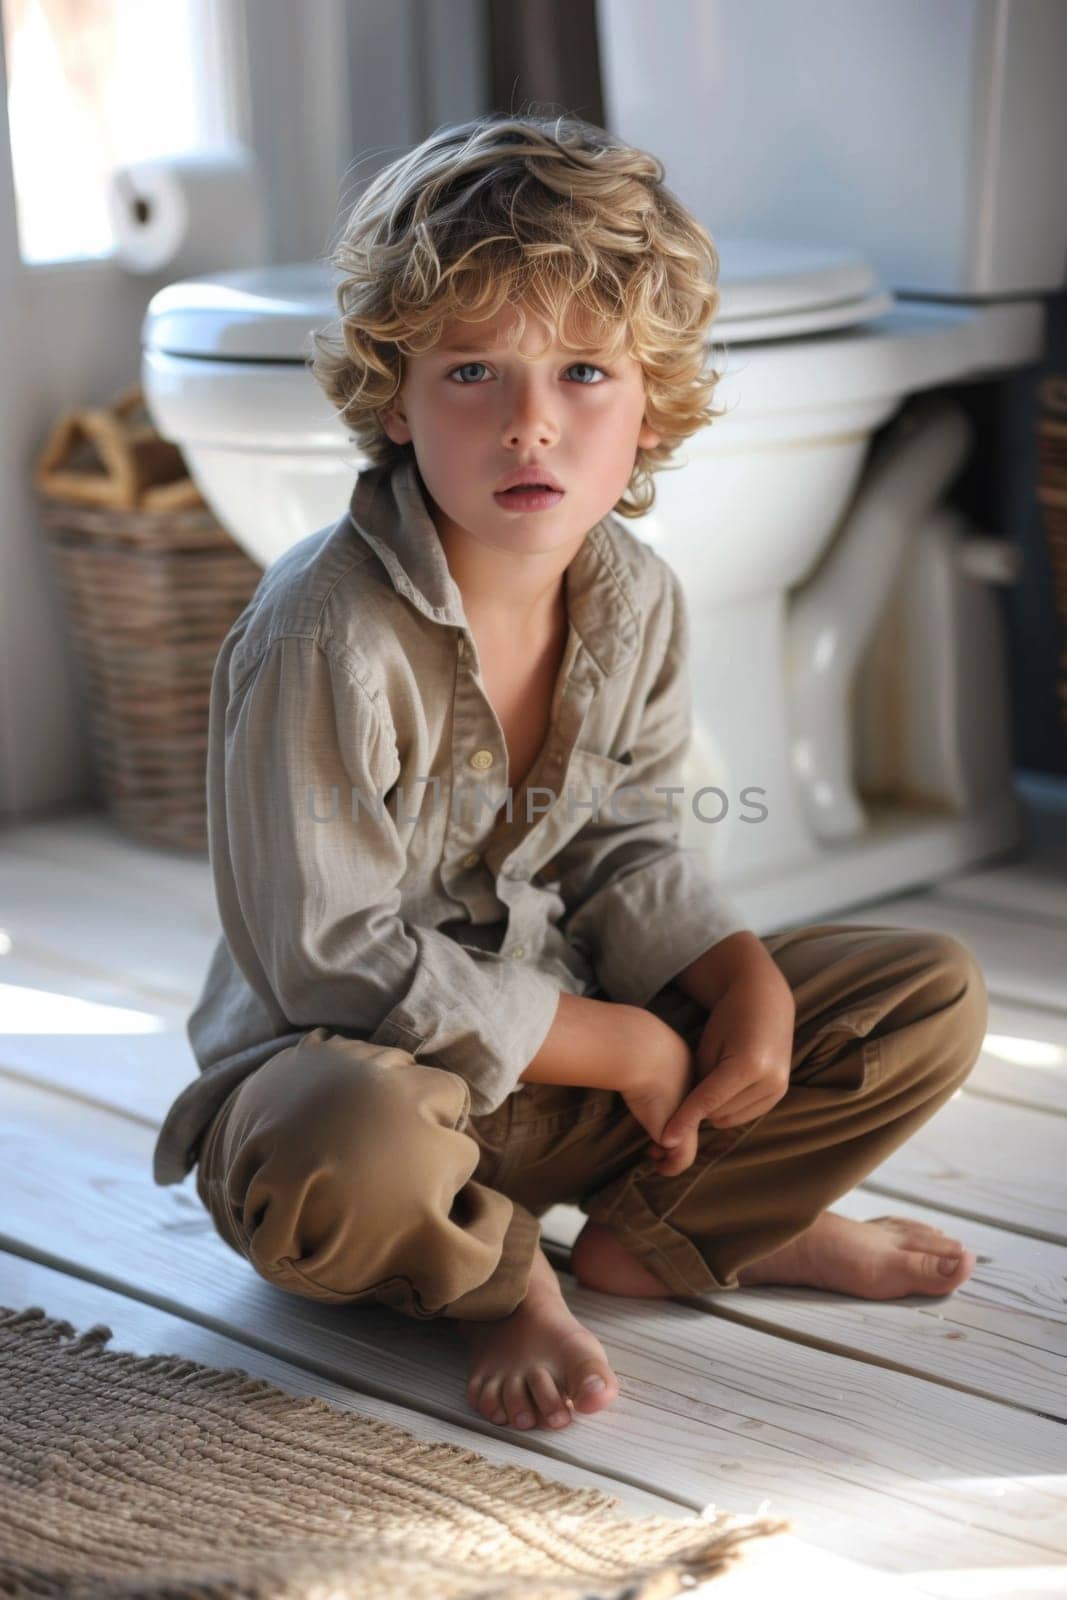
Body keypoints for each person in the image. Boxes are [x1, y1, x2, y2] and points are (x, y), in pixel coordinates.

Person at [152, 112, 988, 1438]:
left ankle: (673, 1233)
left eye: (585, 372)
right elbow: (324, 952)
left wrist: (731, 975)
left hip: (580, 1075)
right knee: (328, 1153)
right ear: (397, 396)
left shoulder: (634, 594)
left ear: (653, 401)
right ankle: (497, 1278)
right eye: (475, 371)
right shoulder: (324, 628)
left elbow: (627, 839)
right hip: (369, 1088)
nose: (532, 424)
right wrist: (620, 1039)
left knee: (923, 996)